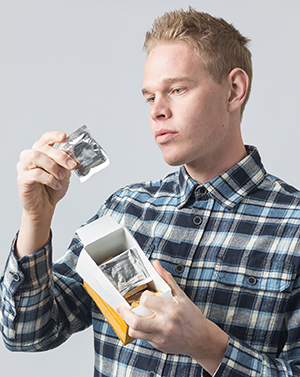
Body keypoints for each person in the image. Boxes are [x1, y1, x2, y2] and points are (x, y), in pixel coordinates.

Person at [1, 6, 300, 377]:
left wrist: (206, 344)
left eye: (177, 89)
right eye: (149, 97)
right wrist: (36, 219)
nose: (157, 111)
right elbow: (26, 333)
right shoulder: (126, 209)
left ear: (234, 90)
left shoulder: (294, 228)